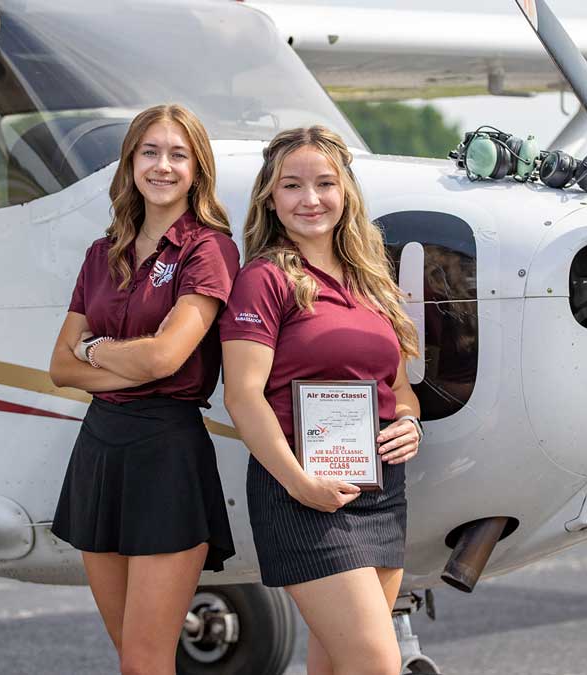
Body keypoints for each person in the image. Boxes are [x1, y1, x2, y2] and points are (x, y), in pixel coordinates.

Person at [219, 126, 423, 675]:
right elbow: (241, 396)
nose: (310, 199)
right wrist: (298, 483)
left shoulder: (372, 281)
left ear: (346, 193)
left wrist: (410, 422)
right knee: (377, 665)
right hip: (302, 494)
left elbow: (398, 388)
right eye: (292, 186)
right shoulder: (262, 280)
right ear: (270, 196)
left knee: (335, 665)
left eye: (325, 183)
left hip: (379, 491)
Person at [48, 103, 237, 675]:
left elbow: (165, 357)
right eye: (150, 152)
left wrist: (96, 350)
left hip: (165, 451)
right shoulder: (99, 255)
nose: (163, 166)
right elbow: (59, 367)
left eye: (178, 154)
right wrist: (118, 361)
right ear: (130, 162)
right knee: (131, 657)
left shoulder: (208, 249)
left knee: (145, 662)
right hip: (99, 449)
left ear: (197, 169)